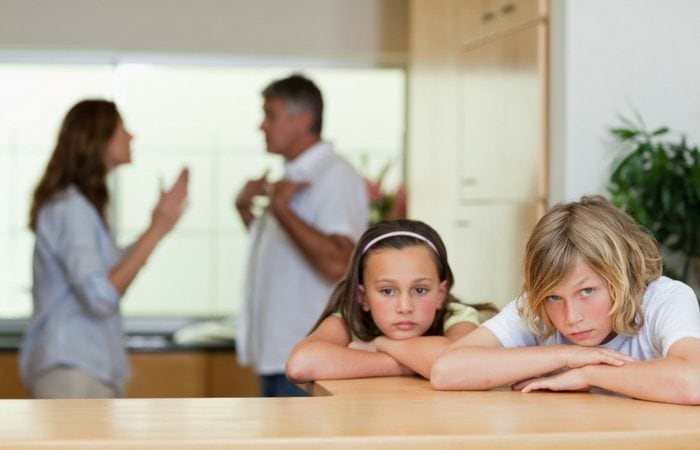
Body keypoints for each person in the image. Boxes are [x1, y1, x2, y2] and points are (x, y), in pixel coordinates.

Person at [431, 195, 700, 405]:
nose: (571, 317)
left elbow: (694, 381)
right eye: (554, 297)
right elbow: (446, 370)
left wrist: (590, 374)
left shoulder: (665, 299)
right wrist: (570, 355)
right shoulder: (535, 305)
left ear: (622, 276)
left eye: (587, 291)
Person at [20, 99, 188, 398]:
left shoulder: (83, 207)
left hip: (84, 367)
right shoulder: (70, 208)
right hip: (71, 369)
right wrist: (157, 228)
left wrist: (157, 227)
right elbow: (100, 295)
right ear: (97, 139)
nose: (131, 136)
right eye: (122, 129)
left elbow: (106, 275)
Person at [234, 74, 369, 396]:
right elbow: (285, 256)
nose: (261, 126)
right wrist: (246, 213)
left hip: (307, 358)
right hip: (276, 353)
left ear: (303, 120)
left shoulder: (335, 176)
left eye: (271, 116)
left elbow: (339, 262)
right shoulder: (292, 177)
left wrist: (282, 210)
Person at [286, 219, 495, 382]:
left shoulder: (457, 315)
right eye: (387, 291)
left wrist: (380, 344)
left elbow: (460, 362)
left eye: (420, 290)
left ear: (440, 294)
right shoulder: (351, 319)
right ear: (363, 297)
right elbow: (301, 365)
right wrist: (412, 364)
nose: (405, 307)